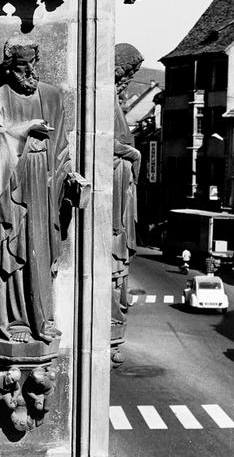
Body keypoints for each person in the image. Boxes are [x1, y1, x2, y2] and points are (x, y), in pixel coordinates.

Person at [0, 36, 84, 344]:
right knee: (17, 248)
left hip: (44, 184)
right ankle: (17, 321)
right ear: (10, 67)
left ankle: (44, 318)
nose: (29, 71)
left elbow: (62, 149)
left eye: (32, 64)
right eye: (22, 65)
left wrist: (70, 179)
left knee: (41, 248)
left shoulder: (51, 97)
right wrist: (25, 129)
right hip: (13, 183)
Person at [111, 45, 143, 360]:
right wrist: (133, 154)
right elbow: (104, 141)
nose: (127, 82)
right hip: (117, 188)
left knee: (119, 259)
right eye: (127, 74)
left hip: (124, 186)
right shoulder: (106, 98)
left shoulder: (116, 102)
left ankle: (116, 308)